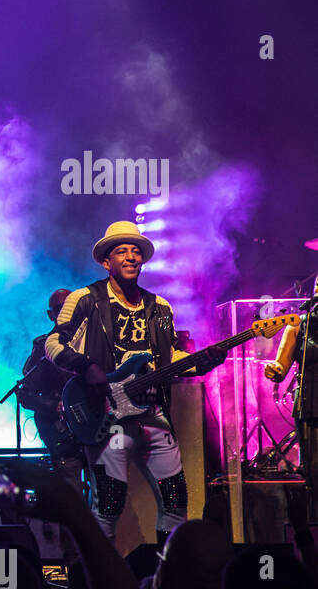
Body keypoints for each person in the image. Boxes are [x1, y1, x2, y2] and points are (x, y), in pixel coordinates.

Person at [44, 221, 225, 542]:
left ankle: (162, 582)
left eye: (136, 251)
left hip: (154, 419)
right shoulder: (85, 299)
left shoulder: (161, 307)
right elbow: (54, 344)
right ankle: (102, 582)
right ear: (106, 261)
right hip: (108, 420)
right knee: (108, 508)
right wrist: (86, 366)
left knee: (175, 502)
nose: (131, 257)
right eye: (122, 251)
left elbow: (170, 359)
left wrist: (201, 363)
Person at [19, 288, 85, 495]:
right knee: (71, 495)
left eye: (71, 308)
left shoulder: (94, 341)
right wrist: (53, 406)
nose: (67, 313)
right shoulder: (43, 347)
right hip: (63, 432)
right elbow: (25, 394)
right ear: (51, 315)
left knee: (106, 493)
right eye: (60, 309)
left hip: (94, 426)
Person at [264, 280, 318, 530]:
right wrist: (274, 369)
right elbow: (281, 366)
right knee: (315, 472)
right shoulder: (298, 326)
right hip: (311, 406)